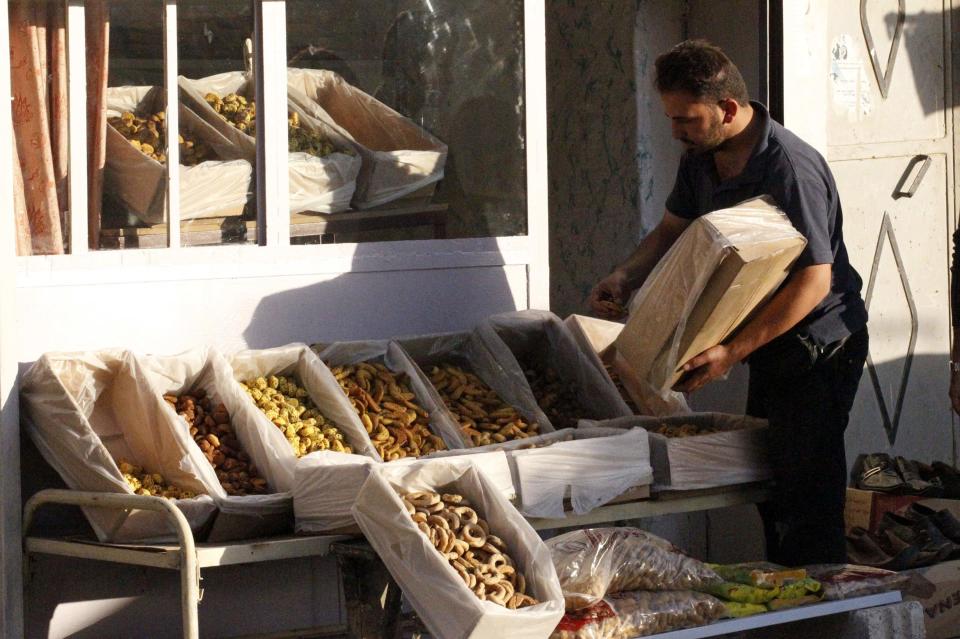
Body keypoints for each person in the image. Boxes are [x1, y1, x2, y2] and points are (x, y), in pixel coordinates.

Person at [589, 40, 869, 567]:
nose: (676, 131)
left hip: (820, 343)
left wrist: (731, 353)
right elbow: (672, 228)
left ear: (729, 110)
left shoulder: (790, 167)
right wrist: (625, 277)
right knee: (772, 483)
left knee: (806, 495)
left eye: (686, 119)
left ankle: (820, 610)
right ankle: (789, 599)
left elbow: (813, 281)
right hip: (770, 342)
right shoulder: (702, 156)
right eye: (671, 119)